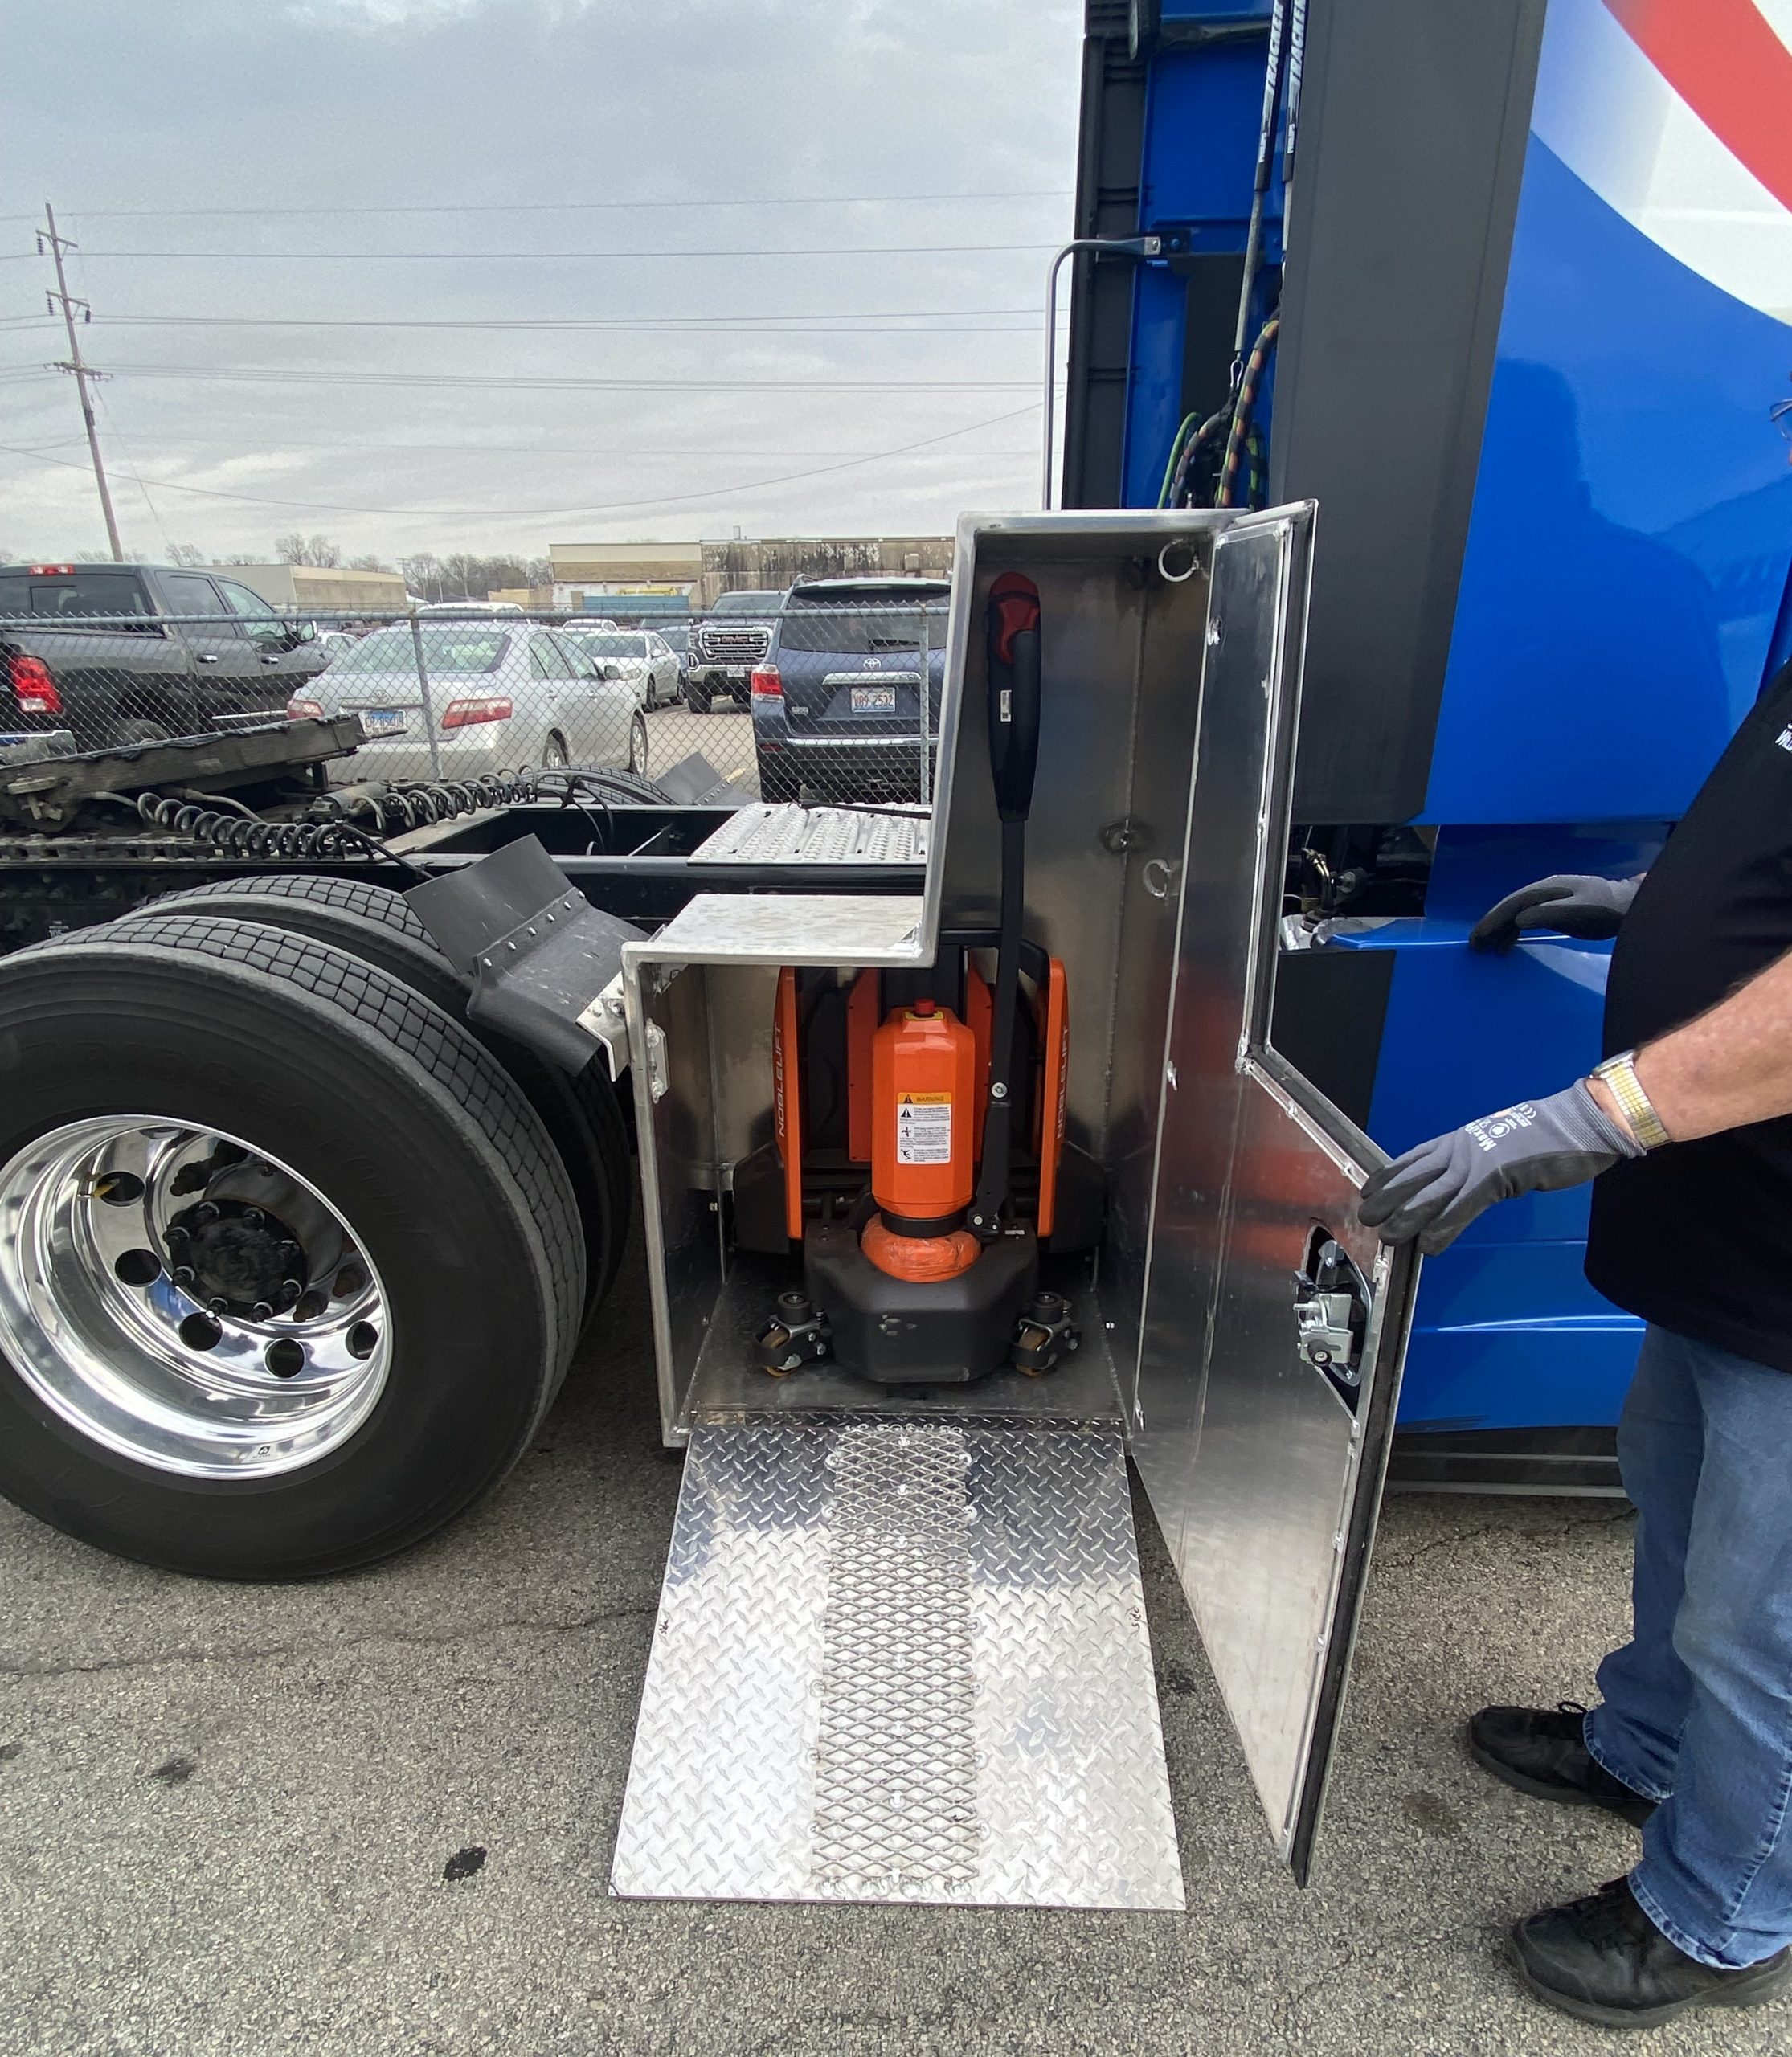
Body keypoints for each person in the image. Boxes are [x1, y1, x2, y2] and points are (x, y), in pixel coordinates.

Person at [1359, 648, 1792, 2030]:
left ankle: (1722, 1912)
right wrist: (1659, 906)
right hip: (1733, 1209)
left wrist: (1580, 1119)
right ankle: (1649, 1744)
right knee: (1669, 1485)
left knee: (1760, 1610)